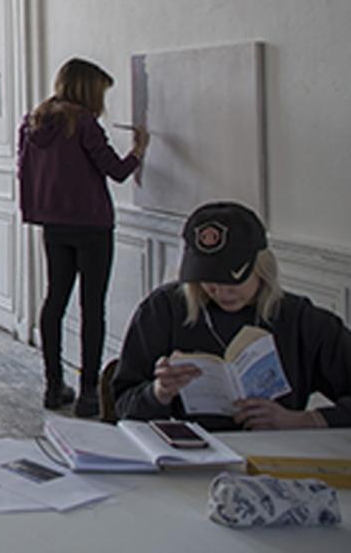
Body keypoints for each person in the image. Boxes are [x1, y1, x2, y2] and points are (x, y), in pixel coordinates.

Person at [113, 201, 351, 430]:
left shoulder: (300, 319)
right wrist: (159, 393)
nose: (221, 292)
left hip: (279, 455)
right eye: (209, 281)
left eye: (233, 281)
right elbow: (123, 405)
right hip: (190, 456)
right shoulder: (163, 310)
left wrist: (302, 421)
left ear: (261, 268)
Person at [18, 58, 149, 417]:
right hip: (92, 227)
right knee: (92, 308)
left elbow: (23, 171)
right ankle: (90, 391)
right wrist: (139, 149)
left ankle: (53, 385)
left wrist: (37, 209)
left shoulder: (33, 122)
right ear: (88, 89)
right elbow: (117, 171)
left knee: (54, 301)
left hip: (53, 225)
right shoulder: (84, 123)